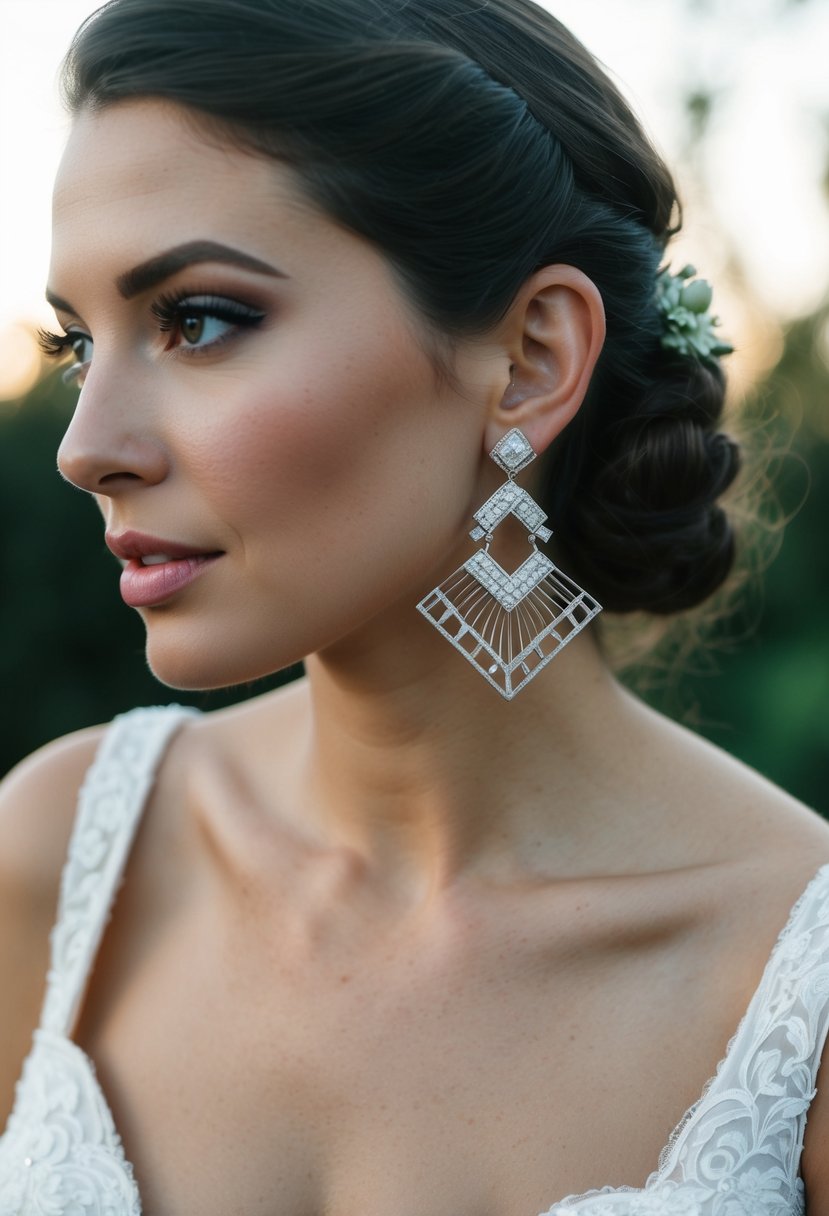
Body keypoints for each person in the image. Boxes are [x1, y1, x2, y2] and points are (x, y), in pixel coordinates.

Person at [0, 0, 827, 1212]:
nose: (87, 448)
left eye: (198, 320)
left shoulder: (787, 982)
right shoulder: (58, 861)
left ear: (531, 358)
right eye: (81, 341)